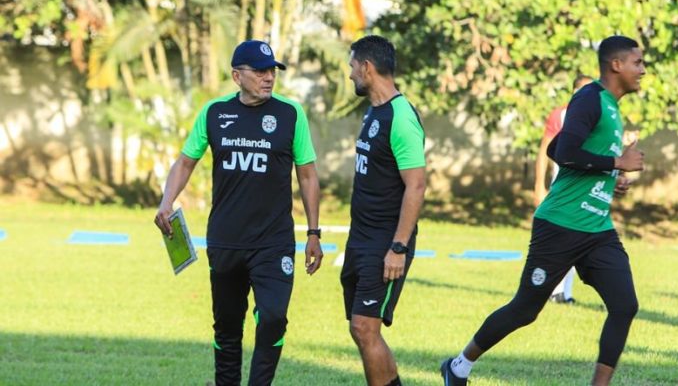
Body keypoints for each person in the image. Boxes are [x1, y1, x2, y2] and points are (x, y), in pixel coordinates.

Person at [441, 35, 646, 386]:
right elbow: (562, 151)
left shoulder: (612, 106)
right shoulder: (590, 98)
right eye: (637, 63)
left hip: (597, 229)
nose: (642, 70)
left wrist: (613, 176)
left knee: (625, 305)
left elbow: (565, 151)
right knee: (525, 310)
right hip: (560, 226)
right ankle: (458, 366)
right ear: (616, 65)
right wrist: (617, 161)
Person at [154, 40, 323, 386]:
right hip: (226, 240)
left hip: (273, 242)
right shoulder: (214, 113)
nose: (268, 77)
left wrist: (313, 233)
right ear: (236, 76)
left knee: (274, 317)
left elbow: (307, 174)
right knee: (228, 327)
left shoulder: (290, 114)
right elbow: (186, 162)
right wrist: (166, 201)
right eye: (259, 71)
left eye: (272, 70)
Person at [341, 35, 426, 386]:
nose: (349, 75)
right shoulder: (374, 111)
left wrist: (398, 247)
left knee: (365, 327)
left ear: (367, 67)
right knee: (361, 329)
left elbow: (416, 185)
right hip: (360, 237)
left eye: (351, 67)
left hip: (385, 242)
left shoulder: (401, 117)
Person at [534, 74, 593, 304]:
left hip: (585, 190)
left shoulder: (598, 116)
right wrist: (539, 186)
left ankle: (564, 293)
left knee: (577, 238)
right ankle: (551, 289)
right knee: (561, 238)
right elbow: (545, 151)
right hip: (563, 189)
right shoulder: (561, 115)